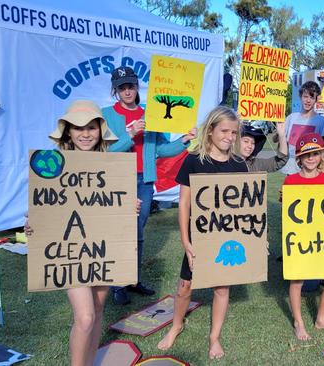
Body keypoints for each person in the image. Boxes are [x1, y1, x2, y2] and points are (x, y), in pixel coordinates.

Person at [25, 100, 130, 366]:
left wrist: (130, 206)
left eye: (91, 127)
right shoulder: (52, 165)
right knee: (84, 317)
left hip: (104, 248)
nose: (85, 133)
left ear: (100, 130)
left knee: (97, 310)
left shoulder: (113, 166)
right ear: (68, 132)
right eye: (77, 128)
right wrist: (33, 224)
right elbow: (45, 205)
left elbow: (114, 209)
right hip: (70, 252)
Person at [157, 106, 247, 359]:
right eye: (224, 131)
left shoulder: (239, 164)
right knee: (185, 286)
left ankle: (214, 337)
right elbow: (184, 204)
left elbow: (245, 206)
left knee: (221, 287)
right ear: (210, 131)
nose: (230, 137)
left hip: (227, 237)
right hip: (198, 237)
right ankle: (176, 325)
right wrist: (186, 241)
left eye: (234, 132)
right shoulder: (194, 160)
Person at [103, 66, 196, 305]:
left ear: (136, 87)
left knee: (138, 231)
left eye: (130, 86)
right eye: (122, 87)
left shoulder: (151, 112)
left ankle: (133, 279)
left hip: (144, 180)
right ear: (115, 90)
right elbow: (106, 152)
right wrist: (131, 134)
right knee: (121, 232)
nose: (127, 91)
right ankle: (117, 284)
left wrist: (184, 140)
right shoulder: (106, 115)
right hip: (117, 180)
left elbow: (162, 149)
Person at [282, 132, 324, 340]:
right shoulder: (290, 181)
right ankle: (299, 322)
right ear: (299, 157)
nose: (311, 158)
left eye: (315, 153)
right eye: (306, 154)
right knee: (296, 281)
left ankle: (321, 318)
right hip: (299, 241)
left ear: (321, 155)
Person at [280, 81, 324, 175]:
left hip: (310, 168)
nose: (308, 100)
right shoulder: (291, 117)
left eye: (311, 97)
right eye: (305, 96)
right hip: (290, 167)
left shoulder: (321, 121)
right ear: (300, 97)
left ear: (316, 100)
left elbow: (323, 149)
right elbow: (281, 140)